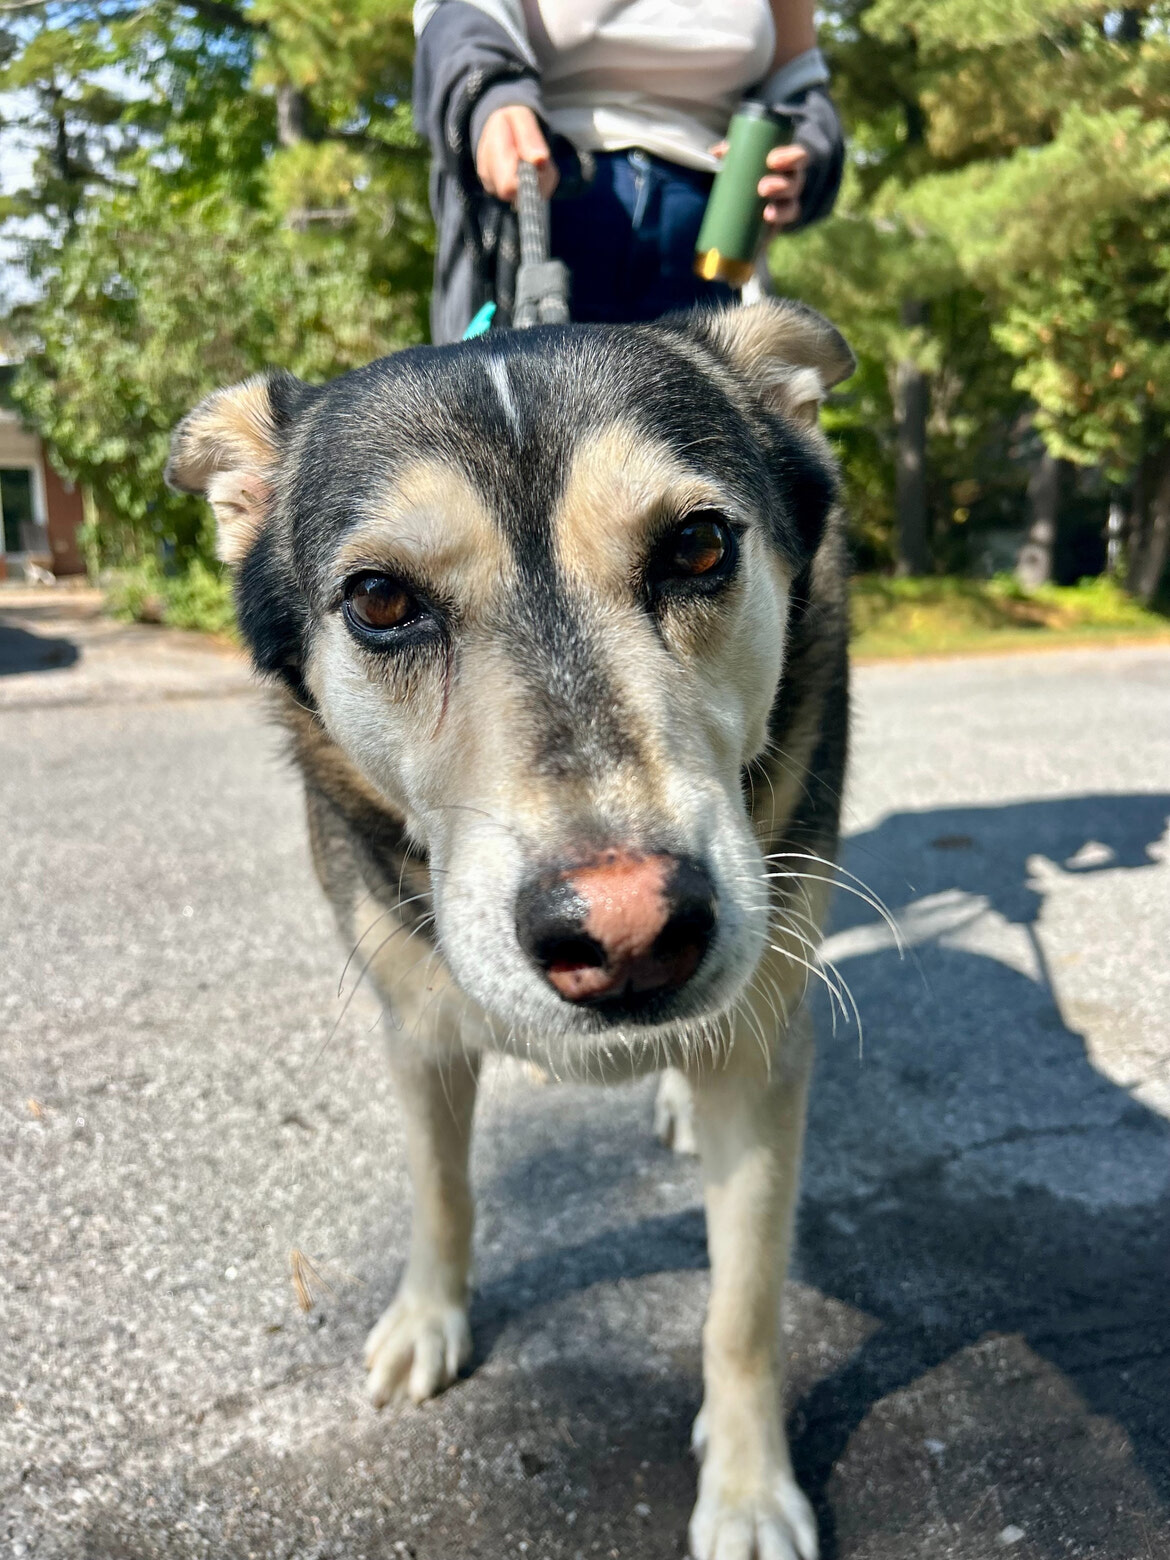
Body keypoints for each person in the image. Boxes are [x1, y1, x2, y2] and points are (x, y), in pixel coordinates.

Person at [413, 1, 845, 343]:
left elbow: (798, 83)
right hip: (542, 210)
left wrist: (801, 156)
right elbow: (456, 16)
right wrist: (489, 99)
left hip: (711, 251)